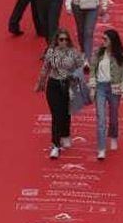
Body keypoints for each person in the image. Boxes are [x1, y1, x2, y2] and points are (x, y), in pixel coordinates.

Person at [35, 27, 87, 157]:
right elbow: (45, 68)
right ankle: (55, 145)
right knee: (56, 115)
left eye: (65, 39)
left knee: (65, 112)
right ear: (56, 40)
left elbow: (82, 67)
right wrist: (40, 84)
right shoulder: (51, 52)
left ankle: (65, 134)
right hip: (53, 85)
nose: (63, 42)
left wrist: (82, 74)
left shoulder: (73, 53)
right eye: (60, 39)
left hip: (68, 85)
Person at [89, 28, 123, 159]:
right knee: (100, 118)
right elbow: (92, 69)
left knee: (114, 116)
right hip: (100, 87)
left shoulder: (121, 55)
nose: (103, 41)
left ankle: (113, 135)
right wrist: (92, 87)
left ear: (113, 40)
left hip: (114, 88)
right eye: (102, 38)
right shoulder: (98, 53)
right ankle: (101, 149)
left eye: (105, 39)